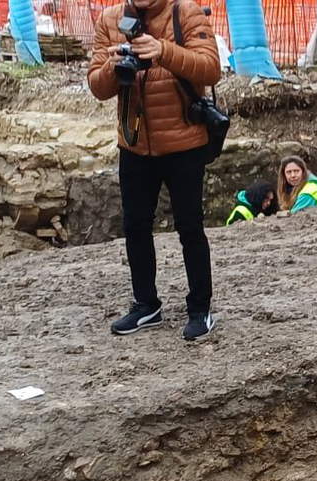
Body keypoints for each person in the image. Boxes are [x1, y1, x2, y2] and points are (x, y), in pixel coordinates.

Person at [88, 0, 221, 340]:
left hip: (184, 143)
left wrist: (163, 50)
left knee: (190, 227)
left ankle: (200, 308)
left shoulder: (185, 12)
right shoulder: (111, 19)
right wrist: (112, 67)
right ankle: (146, 305)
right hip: (134, 143)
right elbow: (98, 87)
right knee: (135, 227)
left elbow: (210, 68)